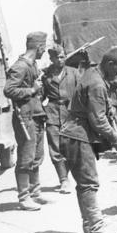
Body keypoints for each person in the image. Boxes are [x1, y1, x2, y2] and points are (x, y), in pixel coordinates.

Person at [60, 47, 117, 233]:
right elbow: (98, 120)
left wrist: (110, 108)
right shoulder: (97, 83)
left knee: (84, 183)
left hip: (74, 134)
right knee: (89, 182)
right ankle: (97, 228)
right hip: (78, 136)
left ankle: (89, 224)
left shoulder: (93, 73)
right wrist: (115, 137)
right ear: (110, 64)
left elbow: (98, 104)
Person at [3, 31, 49, 211]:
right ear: (39, 47)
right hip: (25, 118)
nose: (43, 52)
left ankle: (35, 193)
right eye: (43, 49)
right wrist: (31, 90)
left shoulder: (32, 65)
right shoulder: (20, 66)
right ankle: (24, 197)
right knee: (26, 158)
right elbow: (9, 90)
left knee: (37, 157)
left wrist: (40, 88)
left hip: (36, 115)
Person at [40, 44, 81, 194]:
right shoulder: (45, 76)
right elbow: (41, 96)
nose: (60, 59)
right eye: (56, 57)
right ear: (51, 59)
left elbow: (82, 93)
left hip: (71, 113)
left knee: (72, 148)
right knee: (55, 149)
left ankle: (73, 176)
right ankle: (63, 180)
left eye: (62, 56)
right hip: (52, 113)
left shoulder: (74, 73)